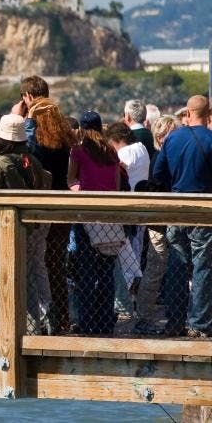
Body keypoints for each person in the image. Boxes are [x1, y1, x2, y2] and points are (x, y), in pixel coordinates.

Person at [15, 75, 75, 334]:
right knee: (56, 263)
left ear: (27, 97)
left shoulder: (33, 128)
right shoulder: (63, 128)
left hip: (39, 205)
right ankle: (62, 318)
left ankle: (37, 319)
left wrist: (23, 120)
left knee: (36, 263)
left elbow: (26, 155)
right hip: (62, 203)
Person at [0, 114, 53, 334]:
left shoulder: (0, 162)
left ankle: (1, 331)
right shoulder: (32, 161)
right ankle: (32, 328)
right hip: (29, 228)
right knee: (28, 279)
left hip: (2, 230)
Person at [153, 96, 212, 337]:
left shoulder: (173, 138)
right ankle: (199, 324)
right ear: (209, 114)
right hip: (203, 210)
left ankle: (175, 321)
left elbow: (158, 173)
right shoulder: (210, 139)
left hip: (176, 208)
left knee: (176, 264)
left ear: (187, 113)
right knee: (202, 265)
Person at [67, 111, 120, 335]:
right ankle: (105, 320)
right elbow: (117, 185)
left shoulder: (78, 151)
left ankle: (86, 320)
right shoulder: (111, 151)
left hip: (86, 216)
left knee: (86, 272)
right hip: (108, 216)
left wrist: (82, 191)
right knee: (106, 272)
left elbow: (71, 180)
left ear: (81, 128)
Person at [134, 114, 179, 334]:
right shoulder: (161, 160)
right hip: (162, 223)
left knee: (158, 270)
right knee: (156, 270)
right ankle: (144, 317)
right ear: (161, 137)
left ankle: (146, 317)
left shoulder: (158, 158)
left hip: (161, 222)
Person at [105, 122, 148, 314]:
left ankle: (123, 302)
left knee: (123, 259)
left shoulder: (124, 154)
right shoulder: (142, 149)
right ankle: (130, 298)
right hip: (140, 209)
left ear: (115, 140)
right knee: (134, 254)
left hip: (124, 210)